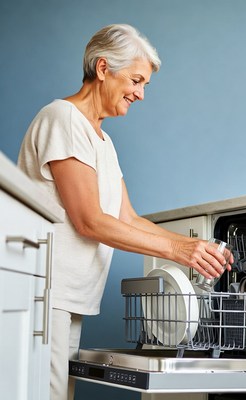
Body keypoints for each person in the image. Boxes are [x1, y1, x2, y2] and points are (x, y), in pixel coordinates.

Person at [17, 23, 232, 400]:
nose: (141, 94)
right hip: (43, 294)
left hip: (66, 298)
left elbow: (126, 217)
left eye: (145, 85)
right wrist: (178, 251)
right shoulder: (63, 119)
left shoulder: (102, 140)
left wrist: (196, 248)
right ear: (103, 68)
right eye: (136, 80)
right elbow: (90, 220)